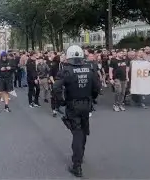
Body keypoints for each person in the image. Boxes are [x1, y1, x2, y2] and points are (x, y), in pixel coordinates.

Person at [53, 45, 100, 177]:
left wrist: (61, 102)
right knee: (83, 131)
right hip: (87, 104)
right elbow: (97, 87)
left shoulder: (66, 71)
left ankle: (77, 165)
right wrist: (92, 98)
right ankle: (81, 155)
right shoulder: (90, 69)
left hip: (73, 105)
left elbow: (56, 88)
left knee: (77, 133)